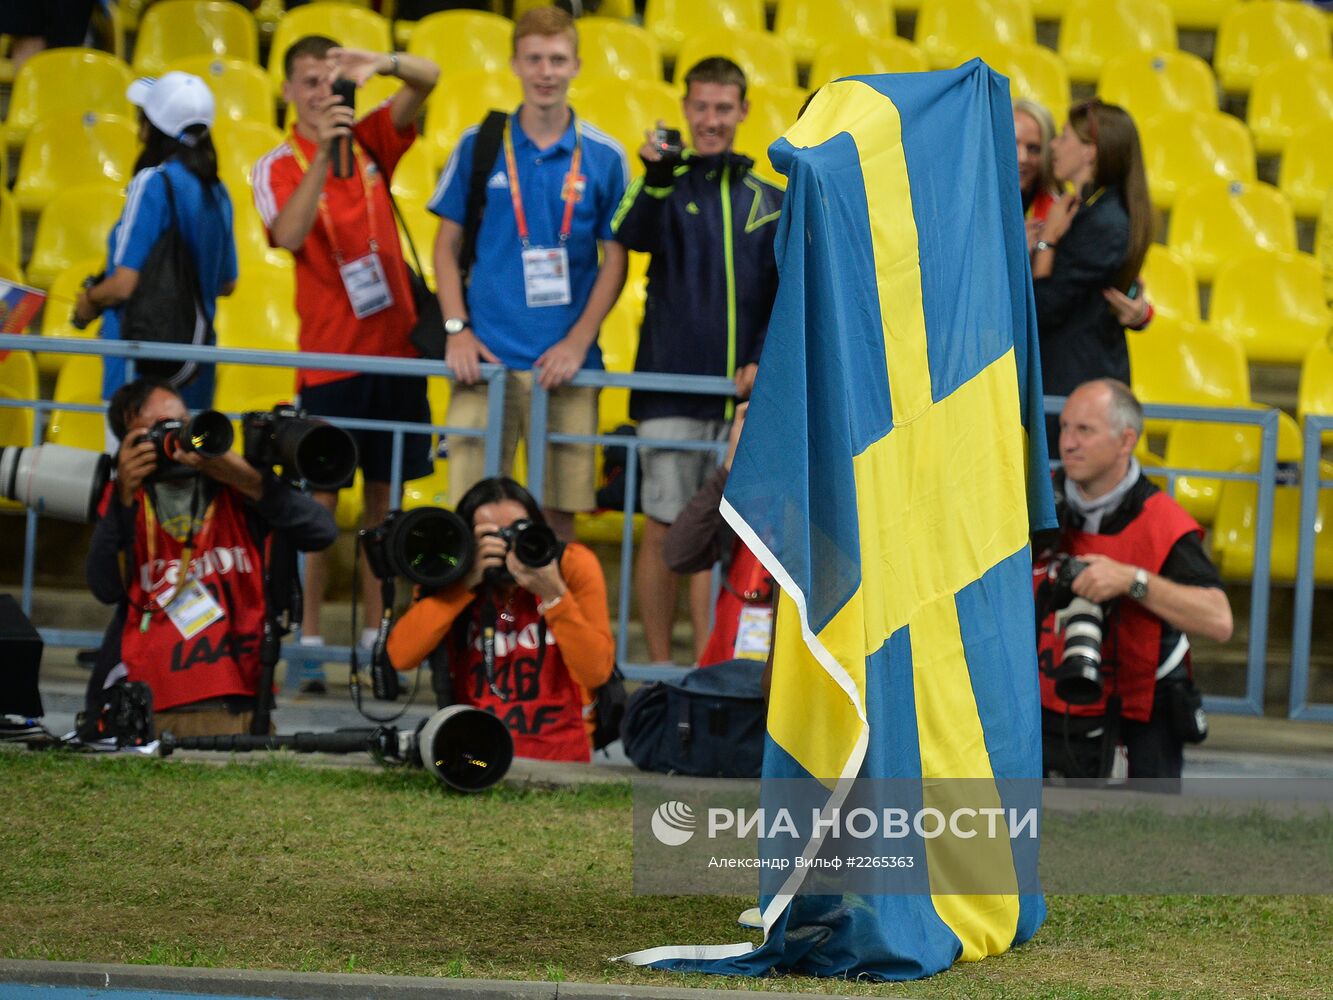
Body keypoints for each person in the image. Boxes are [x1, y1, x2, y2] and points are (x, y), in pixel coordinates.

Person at [251, 37, 440, 668]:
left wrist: (378, 65)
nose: (320, 93)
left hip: (397, 358)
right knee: (319, 509)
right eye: (308, 81)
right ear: (286, 90)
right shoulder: (276, 163)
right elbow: (289, 233)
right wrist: (322, 153)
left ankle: (377, 638)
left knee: (384, 510)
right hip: (331, 362)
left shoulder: (370, 138)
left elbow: (428, 78)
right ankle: (306, 642)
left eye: (330, 82)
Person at [429, 6, 629, 542]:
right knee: (472, 512)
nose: (546, 72)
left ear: (577, 65)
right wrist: (456, 330)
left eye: (557, 60)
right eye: (535, 59)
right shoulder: (479, 144)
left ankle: (550, 626)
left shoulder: (606, 157)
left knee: (558, 517)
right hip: (483, 363)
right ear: (515, 63)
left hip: (566, 368)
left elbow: (617, 259)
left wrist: (577, 342)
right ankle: (477, 627)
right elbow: (445, 247)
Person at [612, 56, 782, 666]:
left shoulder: (768, 198)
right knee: (664, 527)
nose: (711, 120)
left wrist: (761, 360)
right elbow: (629, 233)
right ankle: (660, 670)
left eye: (723, 108)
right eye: (701, 107)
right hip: (670, 391)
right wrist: (656, 172)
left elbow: (786, 293)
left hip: (743, 402)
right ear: (685, 108)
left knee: (725, 534)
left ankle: (714, 665)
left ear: (743, 111)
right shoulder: (663, 182)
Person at [85, 378, 338, 738]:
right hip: (148, 702)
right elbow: (105, 586)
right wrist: (123, 497)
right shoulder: (125, 499)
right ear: (129, 442)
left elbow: (321, 532)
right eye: (159, 430)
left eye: (183, 422)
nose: (177, 438)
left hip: (235, 701)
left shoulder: (234, 484)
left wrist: (251, 482)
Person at [1034, 379, 1233, 789]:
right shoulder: (1037, 504)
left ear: (1126, 441)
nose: (1067, 442)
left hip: (1138, 717)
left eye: (1084, 430)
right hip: (1040, 704)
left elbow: (1219, 621)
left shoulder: (1164, 521)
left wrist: (1132, 581)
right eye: (1065, 427)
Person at [386, 477, 615, 762]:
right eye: (491, 536)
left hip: (560, 751)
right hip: (475, 750)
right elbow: (401, 657)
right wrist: (464, 585)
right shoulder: (449, 574)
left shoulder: (571, 565)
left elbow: (596, 672)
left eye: (516, 532)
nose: (506, 546)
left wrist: (553, 594)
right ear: (467, 539)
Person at [75, 72, 238, 430]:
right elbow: (227, 283)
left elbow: (124, 284)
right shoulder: (218, 191)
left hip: (139, 370)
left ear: (151, 128)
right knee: (185, 475)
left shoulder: (153, 182)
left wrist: (89, 299)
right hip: (194, 371)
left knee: (132, 474)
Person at [662, 403, 777, 668]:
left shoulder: (830, 499)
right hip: (729, 685)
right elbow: (678, 555)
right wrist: (729, 469)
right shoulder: (745, 498)